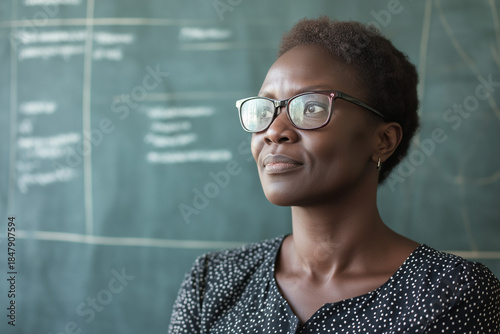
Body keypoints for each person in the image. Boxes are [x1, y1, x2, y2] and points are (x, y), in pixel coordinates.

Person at [168, 17, 500, 333]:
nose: (274, 132)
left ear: (383, 140)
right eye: (265, 109)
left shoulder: (454, 294)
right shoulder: (211, 282)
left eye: (310, 107)